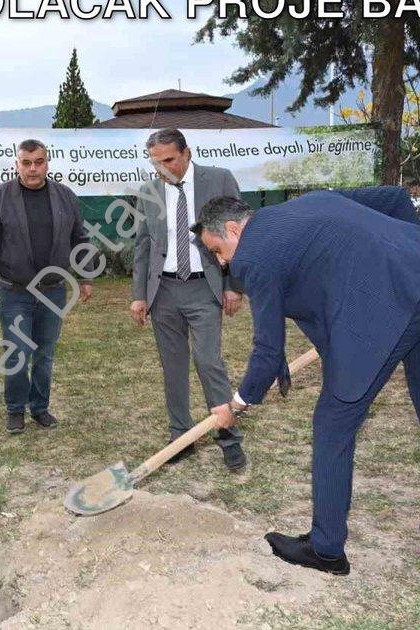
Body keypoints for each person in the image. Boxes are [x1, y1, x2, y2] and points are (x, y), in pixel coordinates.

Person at [193, 190, 420, 576]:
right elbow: (395, 199)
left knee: (333, 425)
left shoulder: (253, 256)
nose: (222, 262)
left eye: (218, 250)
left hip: (391, 306)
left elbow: (268, 349)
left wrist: (236, 405)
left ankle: (326, 548)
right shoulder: (306, 204)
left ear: (234, 229)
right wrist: (409, 261)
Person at [128, 128, 247, 473]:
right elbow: (142, 247)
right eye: (155, 162)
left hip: (204, 288)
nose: (162, 168)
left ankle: (228, 437)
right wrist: (139, 295)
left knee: (209, 361)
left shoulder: (219, 180)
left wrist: (233, 285)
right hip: (163, 291)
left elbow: (241, 234)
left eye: (168, 160)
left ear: (187, 153)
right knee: (173, 367)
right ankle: (181, 437)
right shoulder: (149, 191)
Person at [0, 139, 93, 434]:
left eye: (38, 162)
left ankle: (39, 408)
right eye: (26, 163)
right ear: (16, 165)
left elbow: (80, 239)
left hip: (53, 290)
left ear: (47, 163)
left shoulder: (65, 196)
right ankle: (15, 409)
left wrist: (85, 276)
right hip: (14, 291)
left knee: (45, 353)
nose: (32, 169)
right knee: (17, 353)